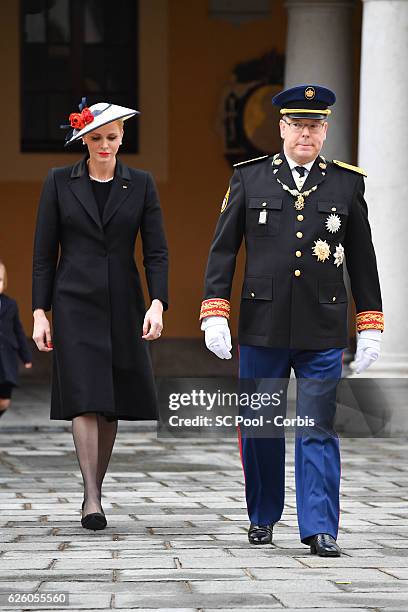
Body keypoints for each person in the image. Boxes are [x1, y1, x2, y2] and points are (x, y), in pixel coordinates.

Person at [199, 85, 383, 556]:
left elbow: (362, 259)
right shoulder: (250, 178)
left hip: (322, 325)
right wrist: (214, 312)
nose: (306, 133)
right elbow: (223, 250)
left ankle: (320, 527)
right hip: (263, 323)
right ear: (281, 128)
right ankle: (262, 516)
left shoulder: (346, 183)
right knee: (260, 425)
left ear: (326, 131)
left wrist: (369, 324)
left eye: (315, 125)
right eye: (298, 125)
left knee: (318, 425)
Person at [32, 98, 168, 531]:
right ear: (82, 140)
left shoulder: (142, 184)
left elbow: (156, 252)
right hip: (73, 303)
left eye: (111, 137)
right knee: (84, 397)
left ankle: (96, 489)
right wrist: (40, 311)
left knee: (109, 405)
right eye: (95, 138)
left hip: (124, 303)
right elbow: (42, 255)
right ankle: (92, 497)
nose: (104, 145)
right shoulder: (58, 182)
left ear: (123, 136)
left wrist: (158, 303)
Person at [0, 259, 32, 417]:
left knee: (4, 401)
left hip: (6, 359)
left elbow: (18, 331)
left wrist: (26, 357)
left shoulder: (11, 304)